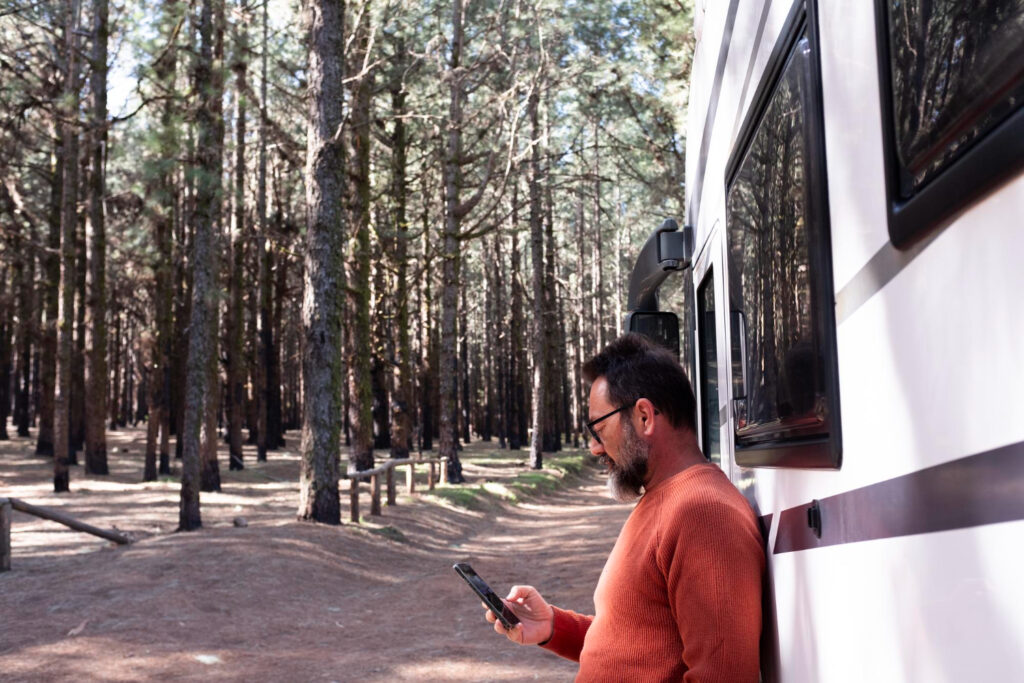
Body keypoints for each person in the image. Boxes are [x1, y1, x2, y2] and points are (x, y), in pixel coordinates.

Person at [483, 333, 764, 681]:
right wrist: (553, 626)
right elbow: (635, 644)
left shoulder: (703, 514)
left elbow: (724, 676)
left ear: (644, 416)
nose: (595, 448)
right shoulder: (666, 499)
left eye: (599, 429)